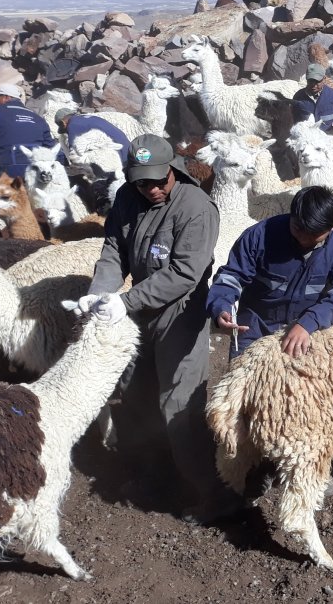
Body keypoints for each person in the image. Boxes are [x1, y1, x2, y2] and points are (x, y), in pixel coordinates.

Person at [76, 133, 239, 524]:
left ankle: (215, 493)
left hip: (178, 314)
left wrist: (124, 301)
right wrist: (100, 293)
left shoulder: (196, 208)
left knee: (179, 403)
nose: (150, 189)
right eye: (141, 181)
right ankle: (152, 473)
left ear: (173, 170)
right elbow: (114, 249)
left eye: (157, 180)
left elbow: (185, 273)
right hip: (139, 312)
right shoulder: (126, 201)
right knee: (135, 393)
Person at [206, 185, 333, 359]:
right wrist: (221, 306)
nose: (303, 238)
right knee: (243, 381)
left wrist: (309, 322)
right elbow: (232, 276)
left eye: (313, 234)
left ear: (332, 228)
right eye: (297, 229)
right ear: (291, 215)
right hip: (255, 325)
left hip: (309, 327)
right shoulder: (259, 236)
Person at [55, 107, 132, 167]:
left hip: (120, 159)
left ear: (63, 123)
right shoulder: (88, 118)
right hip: (129, 151)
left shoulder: (73, 125)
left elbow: (75, 156)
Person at [292, 63, 333, 130]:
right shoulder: (299, 97)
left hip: (329, 137)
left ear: (324, 79)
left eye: (317, 81)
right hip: (305, 137)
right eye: (310, 81)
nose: (313, 85)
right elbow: (291, 119)